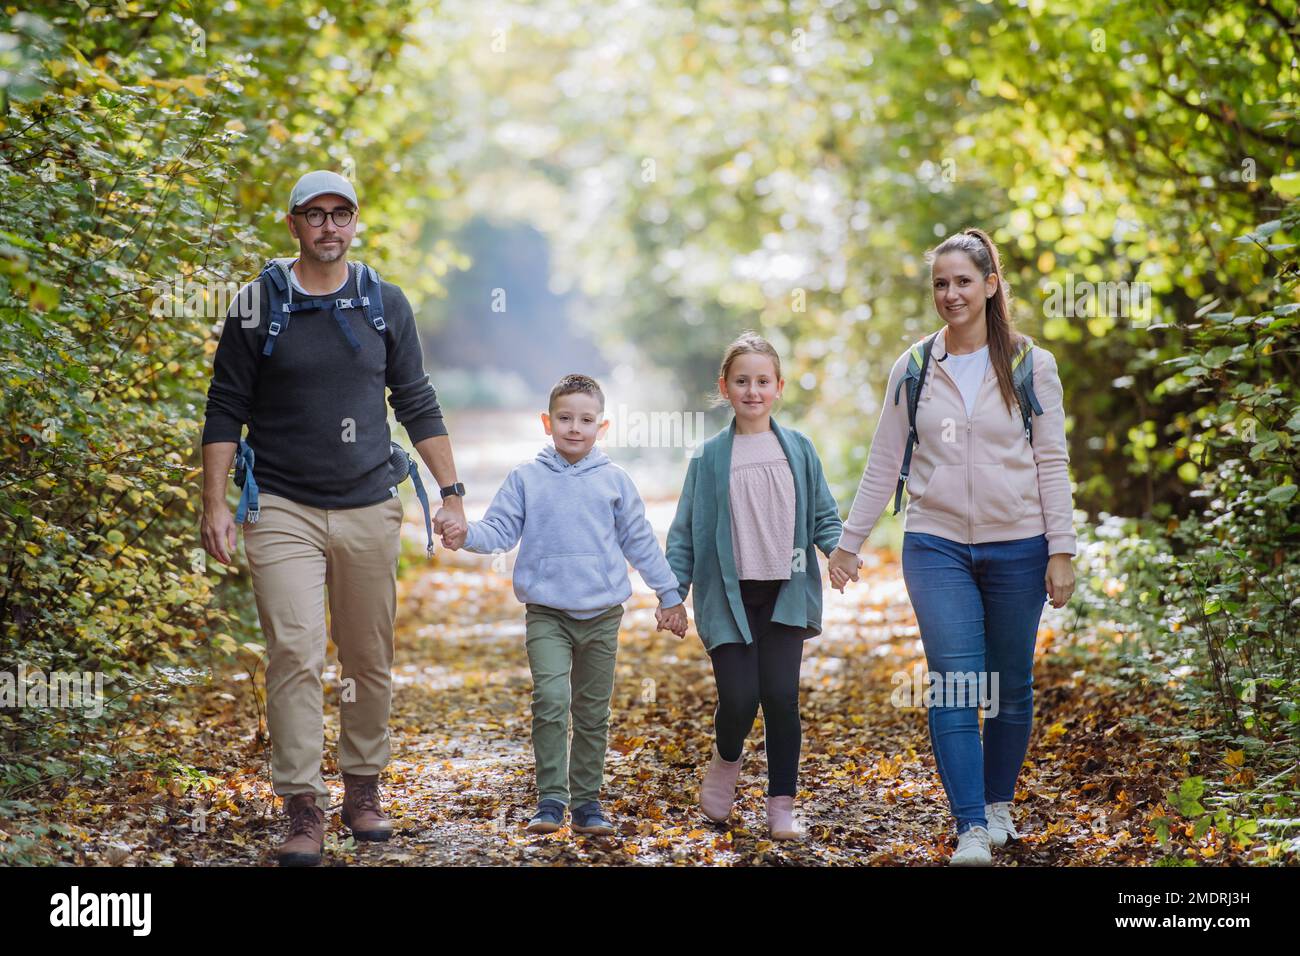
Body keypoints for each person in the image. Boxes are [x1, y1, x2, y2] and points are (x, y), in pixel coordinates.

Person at [199, 169, 469, 866]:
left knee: (367, 656)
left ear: (355, 222)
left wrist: (451, 491)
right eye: (313, 215)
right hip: (280, 505)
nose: (327, 227)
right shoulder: (259, 303)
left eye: (339, 214)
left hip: (369, 504)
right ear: (293, 223)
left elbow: (416, 399)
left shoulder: (384, 303)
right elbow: (225, 405)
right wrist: (216, 504)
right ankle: (301, 806)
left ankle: (363, 790)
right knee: (294, 652)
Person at [828, 227, 1077, 866]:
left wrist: (1062, 550)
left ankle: (998, 804)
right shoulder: (913, 367)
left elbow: (1051, 461)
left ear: (991, 286)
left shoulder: (1030, 364)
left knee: (1013, 686)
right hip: (935, 544)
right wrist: (850, 544)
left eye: (963, 281)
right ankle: (969, 826)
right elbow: (884, 460)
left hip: (1020, 544)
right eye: (940, 283)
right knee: (956, 685)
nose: (951, 293)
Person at [440, 374, 687, 835]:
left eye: (586, 419)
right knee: (551, 700)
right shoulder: (527, 478)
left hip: (602, 614)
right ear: (546, 422)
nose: (575, 427)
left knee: (593, 711)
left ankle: (588, 803)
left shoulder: (614, 481)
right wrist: (465, 533)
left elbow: (641, 543)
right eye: (565, 418)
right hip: (547, 613)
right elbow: (499, 530)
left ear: (602, 426)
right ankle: (551, 799)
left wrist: (669, 595)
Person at [665, 331, 844, 840]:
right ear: (724, 387)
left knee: (782, 698)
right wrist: (672, 594)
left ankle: (781, 807)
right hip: (729, 598)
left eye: (763, 381)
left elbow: (823, 517)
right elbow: (684, 533)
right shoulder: (709, 458)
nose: (752, 391)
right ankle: (726, 758)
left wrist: (837, 552)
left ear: (779, 387)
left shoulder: (799, 449)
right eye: (742, 381)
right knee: (740, 699)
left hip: (786, 593)